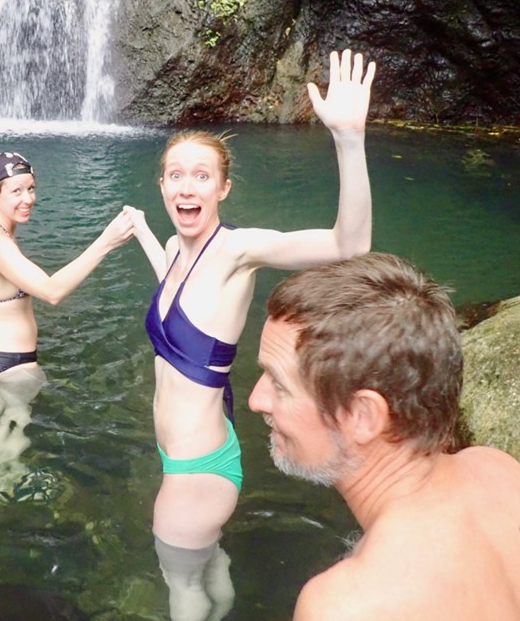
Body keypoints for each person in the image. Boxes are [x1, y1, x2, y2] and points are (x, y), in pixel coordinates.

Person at [126, 49, 375, 620]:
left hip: (197, 472)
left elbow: (348, 245)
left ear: (223, 188)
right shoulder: (175, 250)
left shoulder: (237, 250)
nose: (187, 186)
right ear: (162, 185)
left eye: (202, 176)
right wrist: (140, 232)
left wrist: (348, 139)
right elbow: (176, 304)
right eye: (176, 175)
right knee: (207, 572)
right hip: (187, 453)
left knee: (180, 588)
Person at [248, 252, 520, 620]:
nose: (255, 400)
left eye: (279, 385)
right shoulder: (508, 477)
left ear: (363, 416)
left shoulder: (347, 606)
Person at [0, 151, 134, 501]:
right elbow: (52, 292)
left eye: (31, 188)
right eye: (17, 191)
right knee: (17, 418)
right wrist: (106, 242)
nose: (28, 199)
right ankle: (6, 480)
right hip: (14, 362)